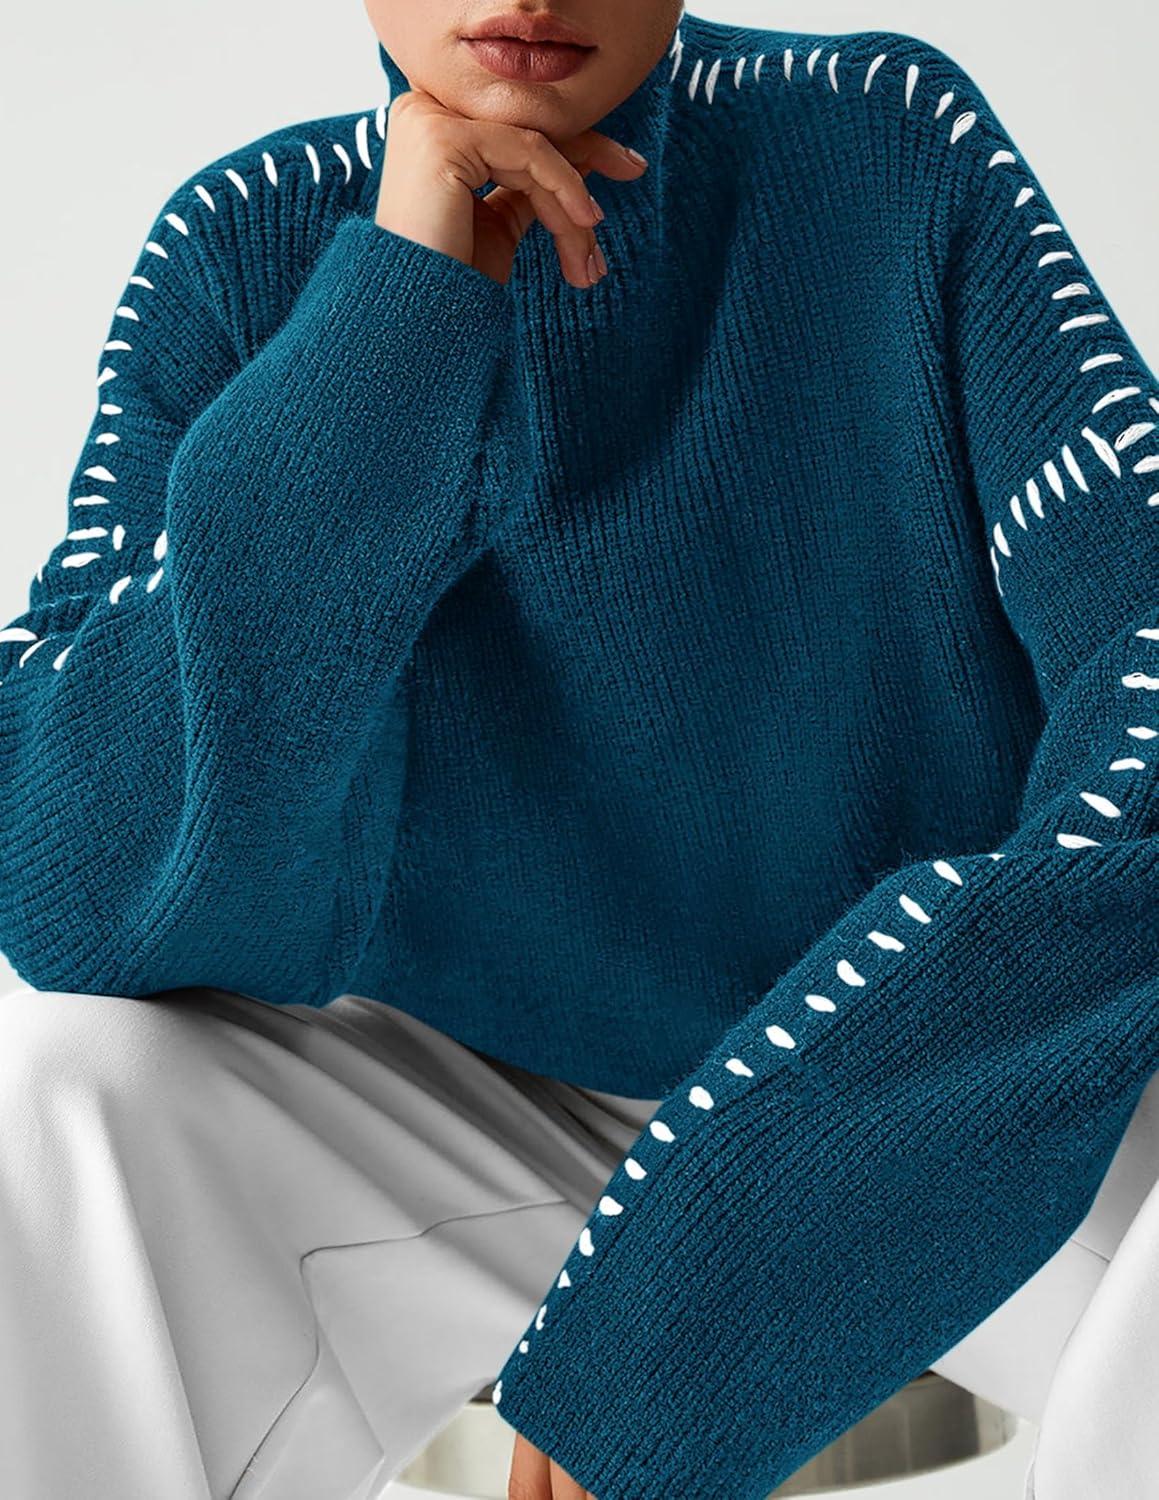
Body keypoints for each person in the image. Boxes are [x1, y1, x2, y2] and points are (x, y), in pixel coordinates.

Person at [0, 1, 1155, 1497]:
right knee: (60, 1098)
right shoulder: (242, 244)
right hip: (459, 1084)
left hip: (910, 1071)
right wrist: (395, 316)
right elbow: (76, 886)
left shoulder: (881, 138)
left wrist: (716, 1279)